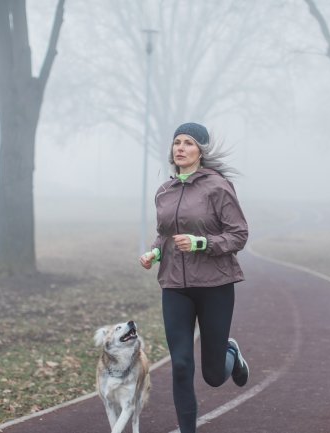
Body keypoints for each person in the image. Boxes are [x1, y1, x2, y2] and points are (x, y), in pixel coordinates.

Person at [139, 122, 250, 433]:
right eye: (177, 142)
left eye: (188, 143)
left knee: (213, 375)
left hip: (215, 285)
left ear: (201, 150)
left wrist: (203, 243)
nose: (180, 148)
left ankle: (230, 352)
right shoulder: (165, 191)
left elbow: (239, 235)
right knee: (181, 365)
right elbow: (165, 236)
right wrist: (154, 254)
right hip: (175, 286)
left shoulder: (218, 186)